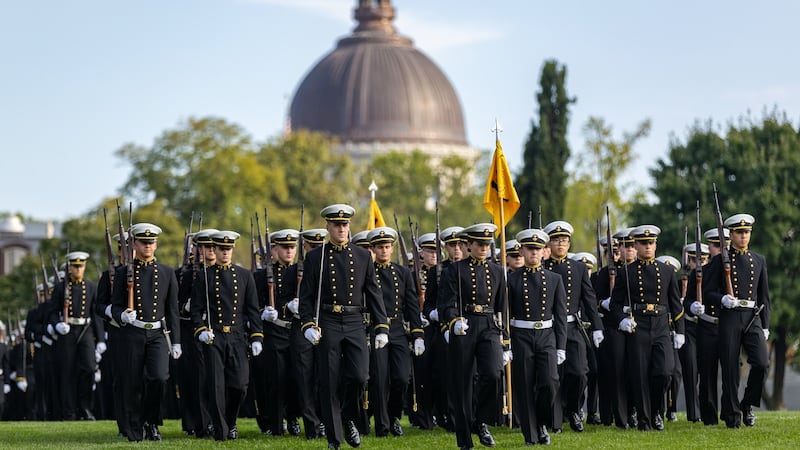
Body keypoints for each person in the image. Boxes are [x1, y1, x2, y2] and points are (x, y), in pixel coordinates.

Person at [298, 204, 389, 450]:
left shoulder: (362, 256)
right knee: (329, 380)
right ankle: (334, 439)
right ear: (327, 227)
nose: (341, 229)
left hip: (354, 321)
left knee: (360, 377)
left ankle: (349, 417)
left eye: (345, 224)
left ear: (349, 226)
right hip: (327, 321)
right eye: (336, 225)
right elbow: (306, 296)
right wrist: (308, 323)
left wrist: (381, 325)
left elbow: (373, 292)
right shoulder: (315, 257)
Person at [110, 223, 181, 442]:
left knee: (159, 378)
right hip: (133, 333)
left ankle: (151, 421)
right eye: (143, 242)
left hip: (157, 334)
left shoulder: (167, 273)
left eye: (151, 242)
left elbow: (172, 311)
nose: (148, 246)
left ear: (156, 244)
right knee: (132, 382)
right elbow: (114, 305)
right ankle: (134, 427)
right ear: (135, 245)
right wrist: (122, 315)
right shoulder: (123, 272)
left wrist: (176, 342)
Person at [438, 223, 506, 450]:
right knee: (462, 384)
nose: (484, 248)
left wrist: (505, 339)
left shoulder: (497, 271)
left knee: (494, 373)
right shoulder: (454, 270)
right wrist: (453, 321)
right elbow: (445, 304)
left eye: (487, 244)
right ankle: (465, 439)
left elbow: (502, 307)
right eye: (479, 244)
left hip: (488, 325)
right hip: (464, 325)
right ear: (468, 245)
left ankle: (481, 420)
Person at [610, 225, 685, 431]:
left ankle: (656, 412)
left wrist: (680, 330)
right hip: (638, 326)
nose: (648, 247)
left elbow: (676, 305)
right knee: (640, 375)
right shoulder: (627, 272)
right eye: (643, 243)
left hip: (661, 325)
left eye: (651, 243)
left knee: (665, 372)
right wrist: (622, 320)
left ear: (656, 244)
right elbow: (615, 305)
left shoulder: (667, 271)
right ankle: (644, 419)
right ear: (635, 245)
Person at [191, 230, 263, 440]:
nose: (225, 253)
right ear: (214, 249)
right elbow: (196, 310)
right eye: (221, 249)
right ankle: (221, 430)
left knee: (240, 385)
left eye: (228, 248)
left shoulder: (244, 276)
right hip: (214, 338)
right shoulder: (204, 276)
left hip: (237, 337)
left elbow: (252, 309)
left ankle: (230, 421)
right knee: (215, 387)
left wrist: (257, 336)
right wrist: (201, 330)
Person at [702, 214, 769, 429]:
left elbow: (764, 296)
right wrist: (722, 299)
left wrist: (765, 326)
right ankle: (732, 415)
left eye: (746, 232)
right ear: (730, 235)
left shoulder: (758, 260)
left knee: (761, 362)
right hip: (730, 317)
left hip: (752, 318)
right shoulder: (719, 260)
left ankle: (747, 403)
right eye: (739, 232)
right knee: (730, 369)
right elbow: (707, 291)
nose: (743, 236)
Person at [542, 221, 603, 433]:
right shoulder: (542, 267)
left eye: (565, 240)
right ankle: (554, 416)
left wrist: (597, 327)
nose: (561, 244)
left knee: (579, 373)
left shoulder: (578, 268)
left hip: (572, 326)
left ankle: (574, 409)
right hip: (549, 329)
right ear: (548, 243)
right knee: (553, 375)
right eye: (557, 240)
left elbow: (589, 298)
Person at [508, 228, 567, 446]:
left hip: (546, 335)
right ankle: (531, 435)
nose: (534, 252)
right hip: (521, 334)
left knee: (550, 381)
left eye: (538, 249)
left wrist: (561, 346)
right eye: (529, 248)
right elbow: (505, 314)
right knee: (524, 386)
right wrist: (506, 343)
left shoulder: (555, 279)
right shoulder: (511, 280)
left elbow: (560, 315)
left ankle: (542, 421)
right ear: (522, 251)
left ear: (545, 251)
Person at [367, 226, 424, 437]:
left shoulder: (403, 273)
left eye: (387, 246)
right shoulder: (368, 271)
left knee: (402, 378)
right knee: (380, 378)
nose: (384, 250)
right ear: (372, 249)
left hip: (398, 329)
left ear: (392, 248)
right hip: (375, 329)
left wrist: (418, 334)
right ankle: (382, 425)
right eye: (380, 247)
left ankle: (393, 416)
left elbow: (411, 304)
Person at [47, 251, 104, 421]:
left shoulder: (91, 287)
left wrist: (100, 339)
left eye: (81, 266)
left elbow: (95, 315)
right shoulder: (60, 287)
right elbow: (51, 311)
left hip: (85, 330)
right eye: (75, 266)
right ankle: (69, 411)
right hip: (67, 331)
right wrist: (57, 325)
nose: (78, 269)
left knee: (88, 368)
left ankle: (85, 408)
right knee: (68, 372)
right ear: (70, 267)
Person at [256, 228, 302, 436]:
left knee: (295, 378)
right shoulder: (261, 275)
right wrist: (262, 312)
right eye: (285, 247)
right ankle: (276, 422)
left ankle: (293, 417)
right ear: (274, 249)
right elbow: (252, 304)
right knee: (276, 379)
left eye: (292, 247)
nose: (289, 251)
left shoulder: (300, 272)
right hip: (274, 332)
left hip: (296, 331)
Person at [287, 228, 328, 439]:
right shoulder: (291, 271)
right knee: (304, 378)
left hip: (326, 327)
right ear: (306, 248)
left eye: (320, 247)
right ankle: (312, 424)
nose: (317, 252)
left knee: (325, 377)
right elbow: (280, 304)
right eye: (313, 247)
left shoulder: (331, 269)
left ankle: (324, 420)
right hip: (301, 329)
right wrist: (290, 305)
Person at [177, 228, 217, 438]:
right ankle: (201, 423)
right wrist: (186, 306)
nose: (206, 251)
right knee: (198, 379)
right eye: (201, 247)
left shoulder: (222, 273)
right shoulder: (184, 274)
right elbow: (173, 304)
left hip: (219, 330)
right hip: (192, 332)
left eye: (211, 246)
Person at [423, 226, 464, 433]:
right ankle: (450, 416)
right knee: (447, 374)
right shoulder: (436, 271)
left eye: (459, 244)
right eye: (451, 245)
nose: (456, 249)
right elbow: (428, 303)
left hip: (469, 326)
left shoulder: (470, 268)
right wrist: (435, 313)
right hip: (444, 328)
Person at [677, 242, 709, 424]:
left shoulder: (712, 278)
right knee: (690, 370)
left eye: (703, 260)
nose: (700, 264)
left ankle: (706, 410)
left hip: (705, 328)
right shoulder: (679, 280)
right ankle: (693, 413)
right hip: (688, 328)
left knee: (705, 371)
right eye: (696, 260)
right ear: (689, 261)